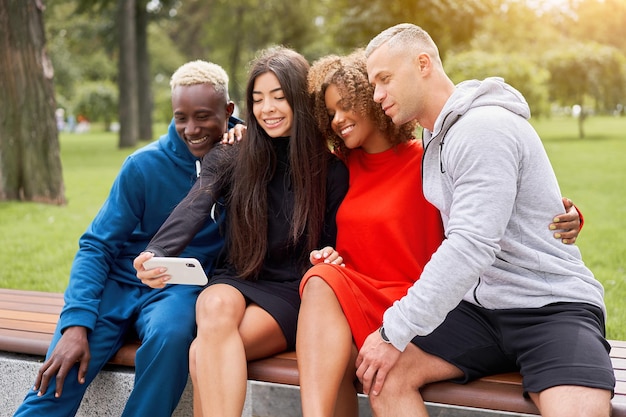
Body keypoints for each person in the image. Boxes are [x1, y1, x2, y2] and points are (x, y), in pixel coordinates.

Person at [296, 50, 584, 417]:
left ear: (372, 100)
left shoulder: (430, 157)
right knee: (320, 280)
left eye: (346, 105)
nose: (338, 120)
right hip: (356, 296)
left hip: (422, 302)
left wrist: (570, 216)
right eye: (331, 112)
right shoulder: (336, 171)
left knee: (357, 355)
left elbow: (505, 203)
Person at [355, 23, 615, 417]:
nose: (378, 95)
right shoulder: (435, 137)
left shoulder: (483, 128)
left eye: (385, 79)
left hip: (551, 306)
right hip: (481, 310)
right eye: (374, 84)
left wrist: (393, 332)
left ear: (423, 63)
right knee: (383, 377)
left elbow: (470, 245)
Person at [13, 60, 242, 417]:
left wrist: (248, 140)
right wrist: (75, 324)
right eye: (181, 117)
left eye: (203, 116)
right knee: (58, 376)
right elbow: (96, 245)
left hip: (178, 288)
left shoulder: (244, 157)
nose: (191, 129)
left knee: (171, 337)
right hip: (117, 284)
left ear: (227, 111)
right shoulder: (143, 165)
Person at [134, 46, 349, 417]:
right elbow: (195, 203)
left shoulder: (329, 170)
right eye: (259, 98)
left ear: (300, 99)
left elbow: (332, 243)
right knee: (214, 303)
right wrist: (156, 252)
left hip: (290, 289)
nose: (268, 109)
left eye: (280, 97)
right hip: (238, 277)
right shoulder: (232, 153)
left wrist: (328, 255)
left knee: (202, 353)